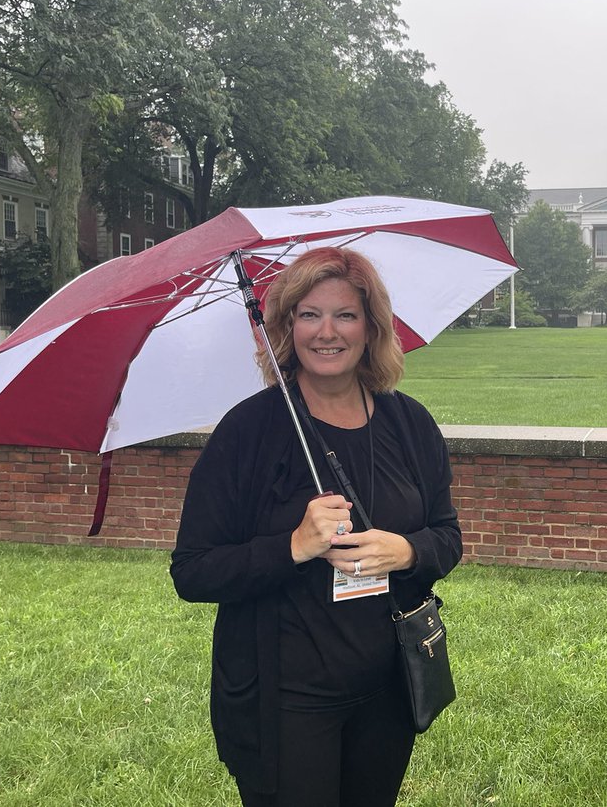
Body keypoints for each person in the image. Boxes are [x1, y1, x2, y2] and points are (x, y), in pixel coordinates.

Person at [170, 246, 462, 806]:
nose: (327, 332)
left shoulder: (409, 423)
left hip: (387, 689)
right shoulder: (247, 433)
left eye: (345, 315)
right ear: (285, 327)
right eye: (309, 314)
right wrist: (294, 547)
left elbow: (447, 537)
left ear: (371, 326)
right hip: (285, 700)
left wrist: (404, 551)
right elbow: (193, 572)